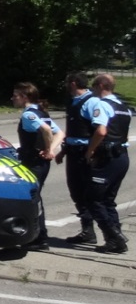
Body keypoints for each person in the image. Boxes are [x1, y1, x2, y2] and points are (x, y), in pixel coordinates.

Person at [83, 73, 131, 254]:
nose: (93, 90)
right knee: (108, 200)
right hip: (121, 157)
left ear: (101, 86)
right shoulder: (123, 107)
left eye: (94, 86)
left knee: (93, 198)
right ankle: (115, 238)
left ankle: (114, 237)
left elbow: (101, 131)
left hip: (107, 157)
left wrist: (90, 150)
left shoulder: (102, 105)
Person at [11, 82, 63, 250]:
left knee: (31, 199)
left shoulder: (29, 115)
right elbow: (61, 133)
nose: (13, 98)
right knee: (35, 197)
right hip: (40, 163)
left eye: (16, 95)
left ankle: (38, 238)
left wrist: (49, 149)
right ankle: (39, 236)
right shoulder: (41, 112)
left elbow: (47, 130)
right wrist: (51, 150)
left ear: (25, 97)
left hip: (33, 162)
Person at [60, 72, 99, 245]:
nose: (66, 86)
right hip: (73, 151)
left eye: (68, 82)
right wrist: (63, 150)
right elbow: (72, 130)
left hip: (85, 152)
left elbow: (100, 130)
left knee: (87, 192)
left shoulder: (92, 102)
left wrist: (91, 152)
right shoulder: (73, 102)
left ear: (74, 83)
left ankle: (108, 232)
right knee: (76, 190)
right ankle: (87, 230)